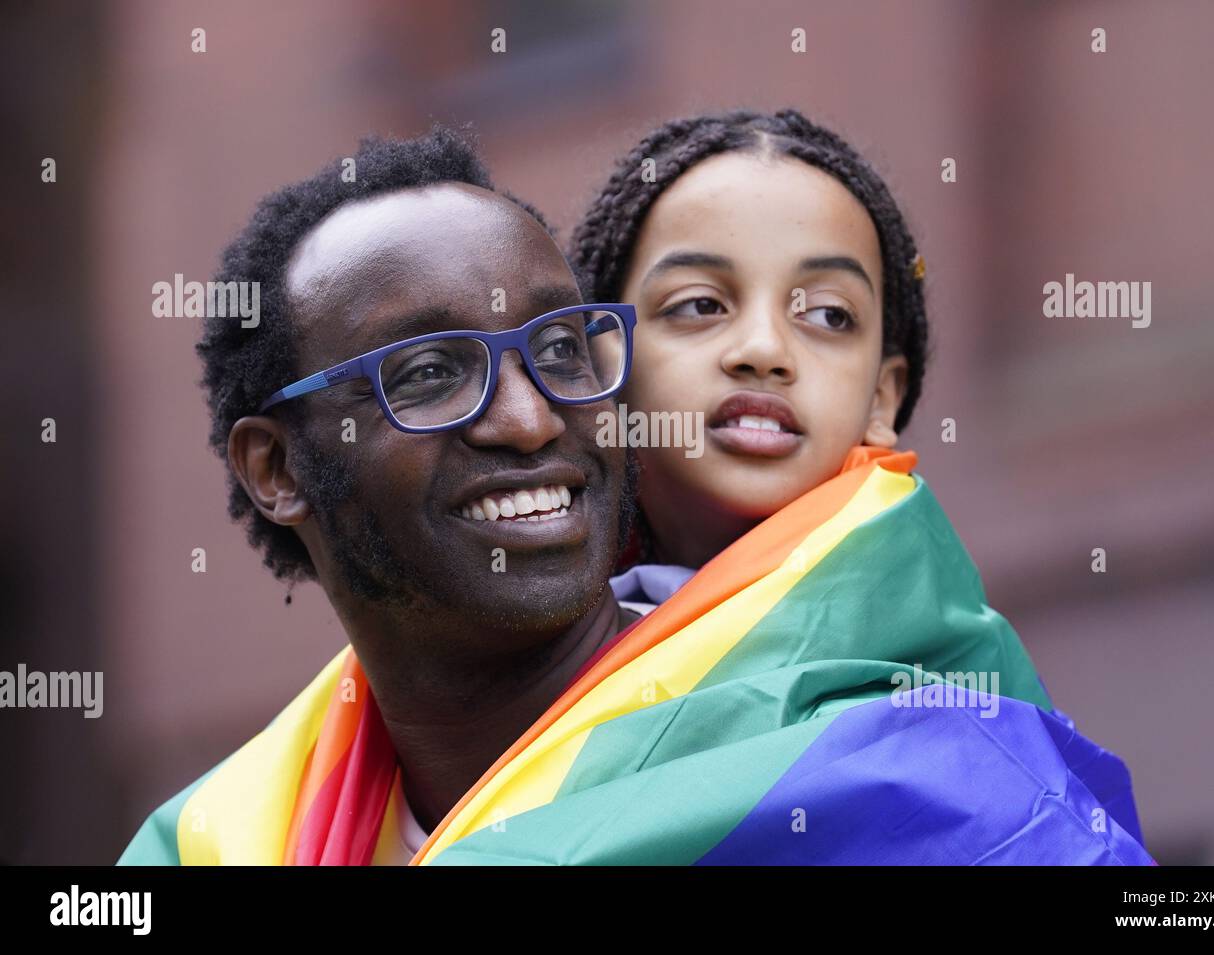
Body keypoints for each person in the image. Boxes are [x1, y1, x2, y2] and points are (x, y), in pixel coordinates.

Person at [470, 107, 1153, 865]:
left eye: (828, 315)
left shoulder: (967, 744)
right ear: (602, 362)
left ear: (883, 399)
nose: (764, 349)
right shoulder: (462, 687)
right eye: (700, 305)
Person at [118, 126, 640, 865]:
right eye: (428, 371)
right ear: (276, 468)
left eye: (559, 349)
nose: (530, 420)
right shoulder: (213, 848)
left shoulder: (801, 736)